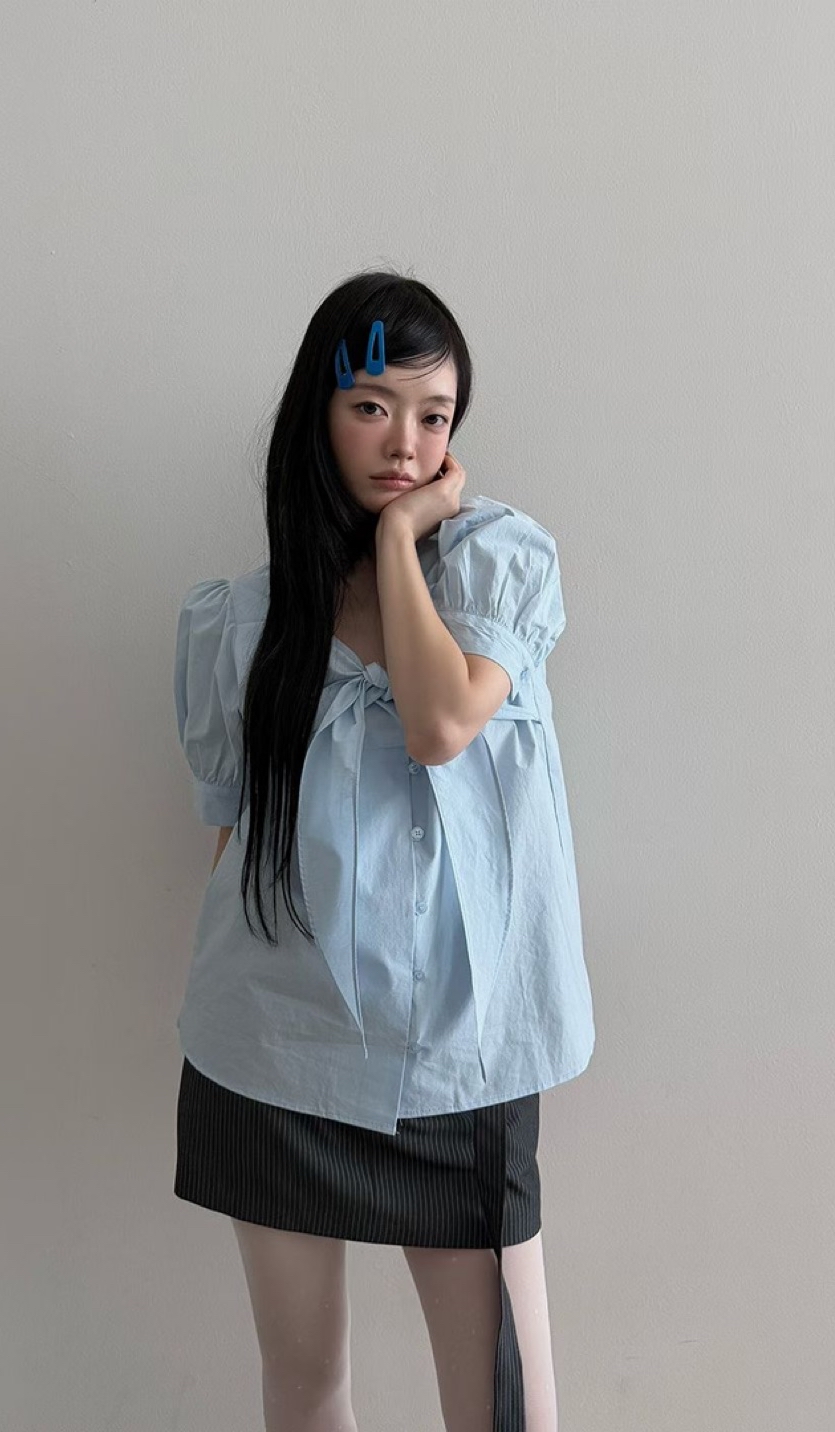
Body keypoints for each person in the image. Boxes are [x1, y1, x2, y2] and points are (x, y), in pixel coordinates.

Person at [172, 268, 596, 1432]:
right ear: (316, 412)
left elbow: (439, 723)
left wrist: (402, 537)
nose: (405, 442)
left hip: (465, 1053)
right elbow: (230, 841)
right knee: (303, 1382)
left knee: (502, 1407)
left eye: (433, 414)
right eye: (371, 406)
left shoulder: (499, 563)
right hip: (275, 1045)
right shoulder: (240, 623)